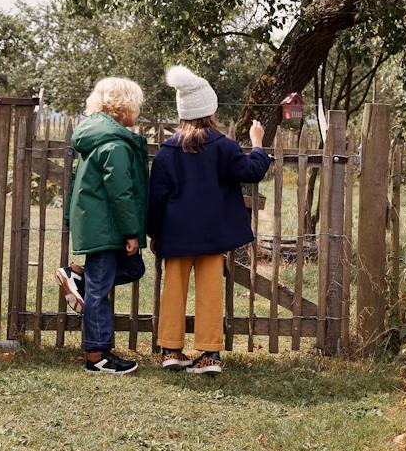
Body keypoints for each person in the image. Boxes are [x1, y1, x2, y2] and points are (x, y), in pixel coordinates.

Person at [148, 66, 271, 375]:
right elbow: (252, 171)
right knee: (210, 292)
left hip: (175, 235)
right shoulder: (225, 148)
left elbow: (156, 199)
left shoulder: (166, 153)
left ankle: (170, 350)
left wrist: (153, 233)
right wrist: (258, 143)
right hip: (213, 236)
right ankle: (210, 355)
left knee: (173, 290)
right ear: (211, 110)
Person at [56, 77, 148, 375]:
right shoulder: (114, 144)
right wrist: (132, 232)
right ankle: (98, 356)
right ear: (124, 107)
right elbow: (121, 193)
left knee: (133, 270)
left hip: (97, 224)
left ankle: (77, 276)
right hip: (107, 227)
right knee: (99, 290)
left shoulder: (96, 136)